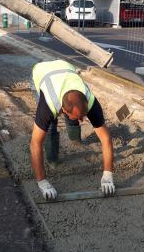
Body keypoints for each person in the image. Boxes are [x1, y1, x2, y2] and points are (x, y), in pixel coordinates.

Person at [30, 59, 115, 200]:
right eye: (79, 117)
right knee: (50, 126)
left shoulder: (91, 101)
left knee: (74, 116)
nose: (83, 120)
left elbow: (106, 138)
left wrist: (108, 174)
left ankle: (75, 140)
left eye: (83, 116)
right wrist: (42, 182)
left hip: (65, 69)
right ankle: (52, 159)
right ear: (62, 109)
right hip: (41, 73)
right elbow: (35, 143)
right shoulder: (49, 104)